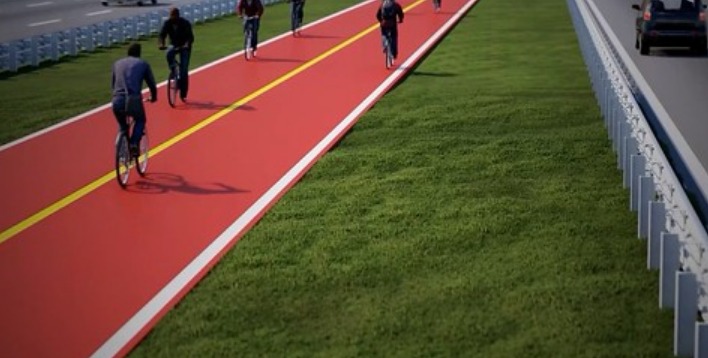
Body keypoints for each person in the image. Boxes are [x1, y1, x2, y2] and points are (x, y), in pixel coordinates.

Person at [111, 43, 157, 157]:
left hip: (117, 100)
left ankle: (122, 152)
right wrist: (154, 97)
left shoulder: (117, 64)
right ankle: (133, 144)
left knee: (123, 127)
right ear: (139, 53)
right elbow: (151, 84)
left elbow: (113, 84)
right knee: (140, 120)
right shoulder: (143, 64)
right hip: (133, 100)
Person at [158, 7, 194, 102]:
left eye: (174, 15)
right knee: (168, 52)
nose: (172, 18)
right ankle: (173, 68)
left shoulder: (185, 23)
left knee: (184, 70)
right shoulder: (167, 23)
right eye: (171, 15)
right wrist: (161, 44)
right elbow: (162, 35)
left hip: (184, 46)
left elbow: (190, 37)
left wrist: (186, 45)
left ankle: (183, 93)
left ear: (178, 15)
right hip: (173, 44)